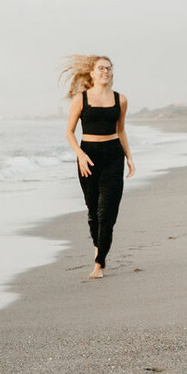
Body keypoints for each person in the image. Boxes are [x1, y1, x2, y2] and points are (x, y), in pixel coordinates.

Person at [62, 54, 135, 279]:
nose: (106, 72)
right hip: (89, 158)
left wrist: (129, 157)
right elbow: (69, 132)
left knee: (107, 213)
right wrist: (81, 155)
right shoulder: (80, 99)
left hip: (113, 156)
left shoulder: (120, 100)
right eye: (101, 68)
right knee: (93, 211)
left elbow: (120, 130)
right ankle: (99, 249)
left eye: (109, 68)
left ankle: (99, 262)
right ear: (92, 73)